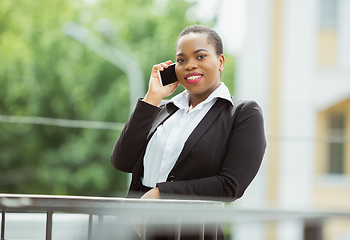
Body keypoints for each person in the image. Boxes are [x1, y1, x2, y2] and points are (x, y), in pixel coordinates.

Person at [110, 24, 266, 239]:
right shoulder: (162, 110)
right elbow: (122, 161)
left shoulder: (242, 113)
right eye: (181, 60)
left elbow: (231, 185)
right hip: (133, 230)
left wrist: (161, 194)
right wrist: (152, 98)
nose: (190, 65)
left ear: (220, 62)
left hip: (190, 232)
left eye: (200, 56)